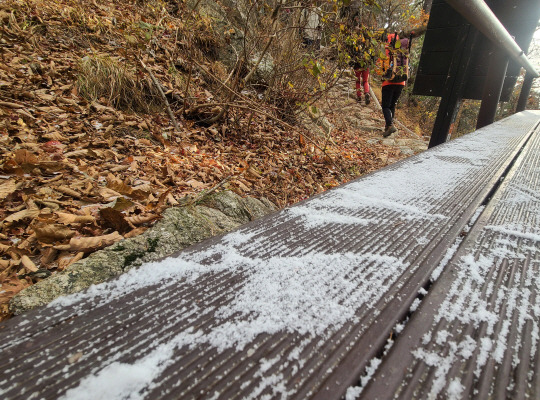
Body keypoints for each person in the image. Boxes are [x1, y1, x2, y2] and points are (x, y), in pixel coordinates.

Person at [380, 33, 410, 137]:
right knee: (392, 105)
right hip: (401, 82)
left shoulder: (387, 50)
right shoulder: (403, 50)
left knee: (385, 106)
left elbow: (381, 66)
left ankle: (389, 125)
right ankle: (388, 125)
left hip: (389, 81)